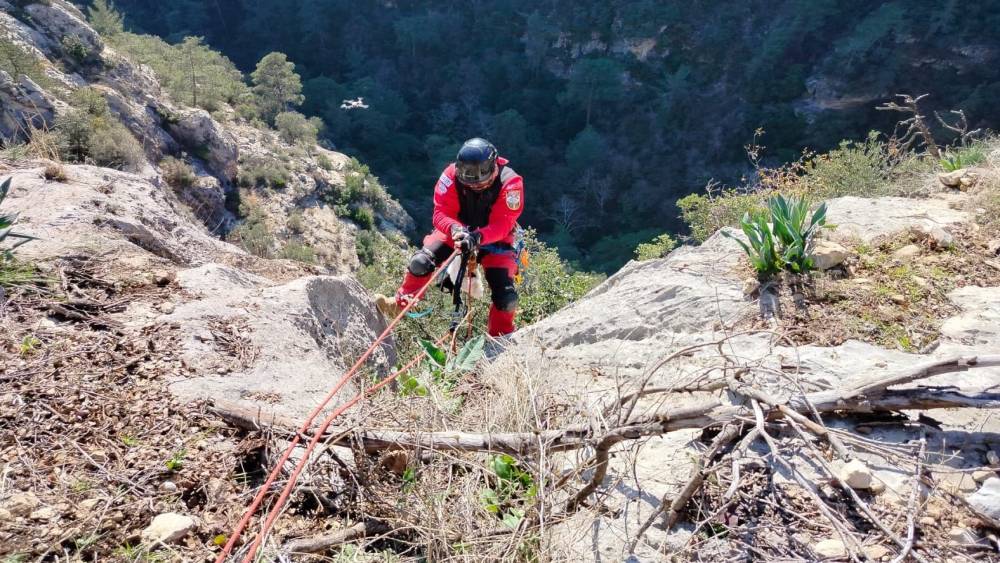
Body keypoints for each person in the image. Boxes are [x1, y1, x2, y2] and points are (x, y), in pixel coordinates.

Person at [376, 138, 524, 336]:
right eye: (469, 176)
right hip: (457, 232)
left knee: (506, 297)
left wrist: (477, 237)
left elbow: (503, 223)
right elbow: (441, 213)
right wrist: (455, 229)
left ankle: (500, 336)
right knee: (420, 263)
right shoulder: (450, 175)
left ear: (494, 165)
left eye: (482, 175)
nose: (476, 182)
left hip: (495, 241)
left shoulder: (511, 182)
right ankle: (400, 304)